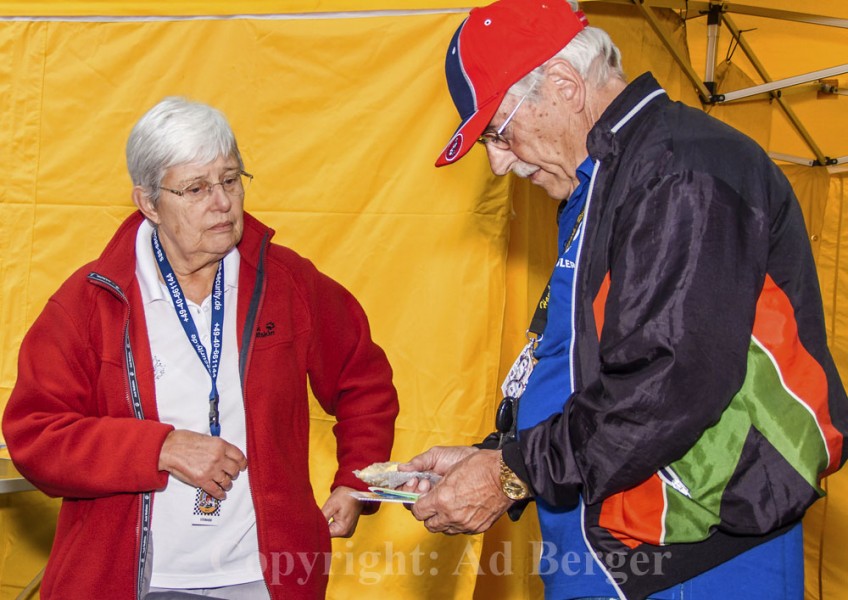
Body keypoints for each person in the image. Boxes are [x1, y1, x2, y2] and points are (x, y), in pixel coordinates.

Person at [401, 1, 848, 599]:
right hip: (616, 548)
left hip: (694, 558)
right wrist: (498, 452)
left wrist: (514, 471)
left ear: (562, 85)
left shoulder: (683, 169)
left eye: (497, 132)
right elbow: (583, 369)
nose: (498, 161)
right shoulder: (607, 179)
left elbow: (667, 383)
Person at [1, 97, 399, 600]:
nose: (222, 203)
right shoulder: (90, 301)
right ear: (148, 202)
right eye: (196, 188)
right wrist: (158, 448)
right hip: (132, 583)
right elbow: (36, 437)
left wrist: (355, 479)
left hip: (265, 579)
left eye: (230, 180)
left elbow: (362, 380)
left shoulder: (288, 283)